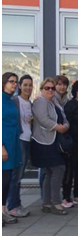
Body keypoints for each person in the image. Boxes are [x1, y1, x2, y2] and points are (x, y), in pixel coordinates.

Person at [31, 77, 69, 216]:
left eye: (52, 88)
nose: (50, 90)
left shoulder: (54, 102)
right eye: (47, 88)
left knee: (50, 172)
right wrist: (58, 127)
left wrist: (65, 126)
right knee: (59, 169)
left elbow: (64, 117)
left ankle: (47, 202)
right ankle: (55, 202)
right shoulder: (40, 102)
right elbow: (43, 119)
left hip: (53, 141)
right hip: (44, 142)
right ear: (41, 89)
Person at [7, 74, 33, 218]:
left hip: (28, 140)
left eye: (30, 85)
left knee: (20, 174)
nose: (28, 87)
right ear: (20, 86)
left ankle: (16, 203)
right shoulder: (14, 101)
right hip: (19, 140)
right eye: (25, 85)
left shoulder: (30, 103)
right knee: (15, 175)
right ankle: (12, 206)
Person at [3, 72, 22, 225]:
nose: (14, 84)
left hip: (13, 143)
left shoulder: (11, 100)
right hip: (4, 144)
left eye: (16, 82)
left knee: (8, 179)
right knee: (4, 179)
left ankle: (3, 211)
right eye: (11, 81)